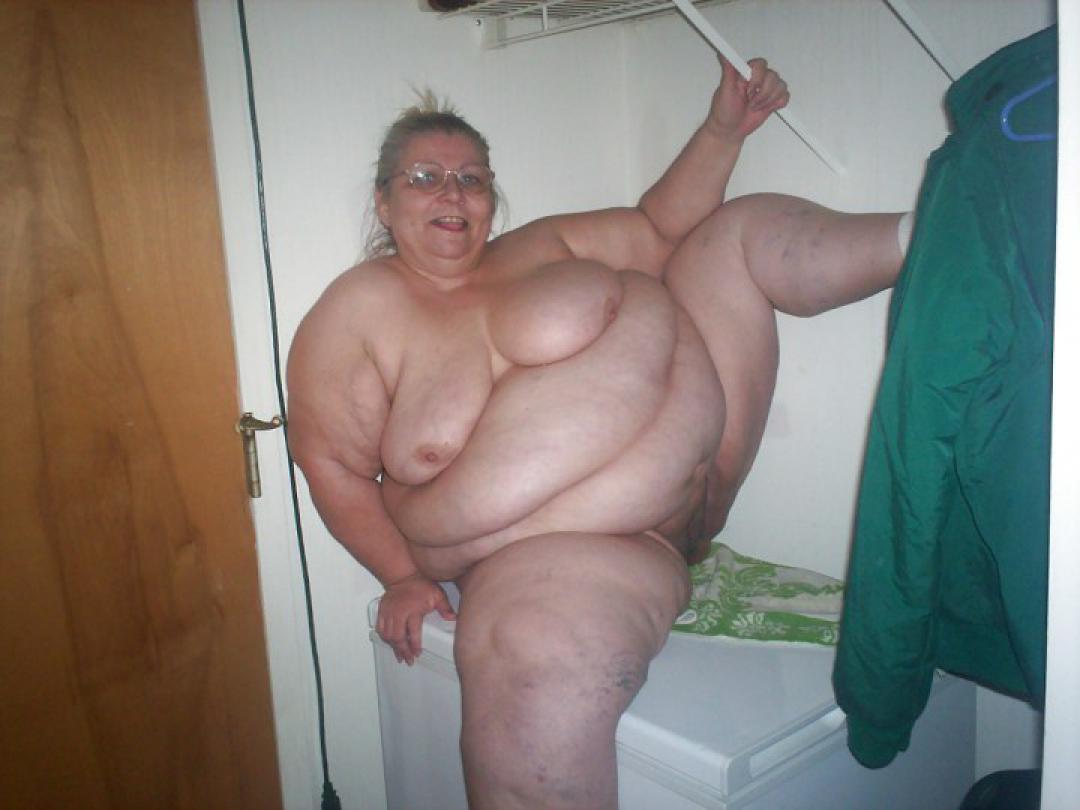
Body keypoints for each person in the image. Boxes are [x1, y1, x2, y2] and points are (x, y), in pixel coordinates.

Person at [287, 56, 906, 810]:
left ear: (491, 200)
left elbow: (659, 228)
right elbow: (331, 463)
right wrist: (402, 576)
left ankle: (932, 237)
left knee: (735, 229)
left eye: (472, 178)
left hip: (704, 467)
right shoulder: (360, 309)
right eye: (425, 177)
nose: (452, 192)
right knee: (533, 656)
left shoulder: (537, 249)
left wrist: (725, 129)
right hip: (572, 555)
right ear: (383, 202)